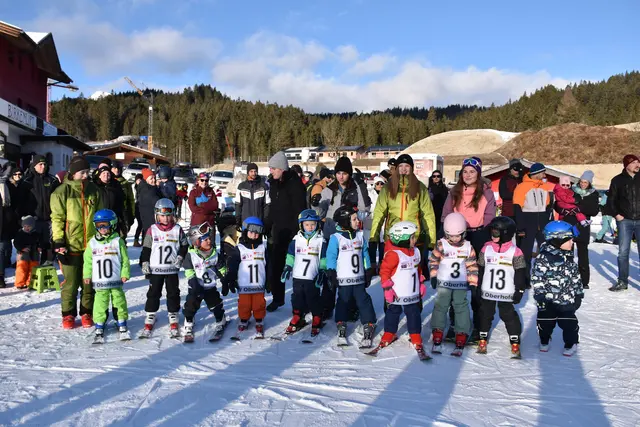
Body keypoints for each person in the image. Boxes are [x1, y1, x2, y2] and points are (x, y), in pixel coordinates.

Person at [441, 157, 496, 343]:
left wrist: (487, 239)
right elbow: (446, 214)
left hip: (478, 235)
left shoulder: (486, 192)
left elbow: (489, 217)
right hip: (457, 237)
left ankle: (479, 326)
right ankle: (455, 323)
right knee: (456, 281)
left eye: (472, 171)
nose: (468, 175)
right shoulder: (454, 192)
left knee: (476, 283)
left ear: (478, 173)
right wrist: (445, 235)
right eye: (465, 171)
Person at [50, 156, 102, 329]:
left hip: (91, 246)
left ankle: (87, 312)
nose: (86, 175)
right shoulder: (61, 192)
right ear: (73, 173)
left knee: (88, 284)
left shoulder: (94, 190)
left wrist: (103, 239)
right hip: (70, 245)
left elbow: (101, 217)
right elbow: (57, 219)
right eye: (82, 172)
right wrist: (59, 241)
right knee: (71, 284)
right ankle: (68, 314)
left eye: (87, 172)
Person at [370, 154, 436, 270]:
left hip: (413, 239)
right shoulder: (388, 188)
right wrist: (373, 237)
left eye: (407, 166)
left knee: (412, 273)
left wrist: (431, 240)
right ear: (396, 168)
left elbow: (428, 214)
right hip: (393, 238)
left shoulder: (420, 188)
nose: (404, 169)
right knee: (392, 271)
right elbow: (379, 213)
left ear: (412, 168)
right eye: (401, 166)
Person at [325, 205, 377, 347]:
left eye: (357, 219)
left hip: (358, 278)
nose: (357, 221)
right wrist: (331, 272)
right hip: (344, 280)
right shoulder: (336, 238)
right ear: (345, 221)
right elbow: (331, 256)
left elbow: (364, 253)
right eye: (354, 219)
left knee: (364, 300)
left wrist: (368, 270)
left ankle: (369, 322)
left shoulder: (360, 236)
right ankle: (341, 322)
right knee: (343, 301)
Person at [428, 213, 479, 355]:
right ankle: (437, 331)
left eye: (458, 236)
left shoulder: (468, 247)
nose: (455, 239)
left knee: (461, 307)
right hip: (444, 283)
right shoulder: (441, 245)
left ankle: (461, 332)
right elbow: (433, 261)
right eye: (451, 236)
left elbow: (472, 266)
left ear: (463, 233)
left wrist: (473, 282)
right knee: (440, 306)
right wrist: (433, 276)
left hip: (460, 284)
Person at [476, 216, 526, 358]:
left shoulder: (515, 252)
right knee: (485, 314)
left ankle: (515, 339)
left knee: (508, 315)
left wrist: (519, 289)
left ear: (506, 233)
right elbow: (481, 269)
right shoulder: (486, 249)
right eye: (492, 231)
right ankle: (482, 337)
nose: (493, 234)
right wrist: (478, 286)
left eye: (496, 232)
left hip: (506, 292)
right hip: (488, 290)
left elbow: (520, 273)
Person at [532, 221, 584, 356]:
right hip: (547, 300)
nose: (572, 242)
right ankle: (544, 340)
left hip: (566, 300)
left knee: (570, 324)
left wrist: (578, 293)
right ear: (557, 240)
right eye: (569, 239)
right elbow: (537, 278)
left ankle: (571, 343)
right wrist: (540, 297)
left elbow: (575, 276)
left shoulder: (568, 256)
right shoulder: (543, 258)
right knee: (544, 322)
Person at [377, 221, 428, 355]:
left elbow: (418, 269)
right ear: (403, 239)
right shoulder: (393, 254)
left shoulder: (416, 251)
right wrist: (387, 289)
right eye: (412, 237)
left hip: (411, 293)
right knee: (393, 312)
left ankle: (415, 335)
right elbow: (384, 271)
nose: (415, 240)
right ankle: (390, 332)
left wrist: (421, 282)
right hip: (397, 293)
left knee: (414, 313)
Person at [140, 199, 189, 338]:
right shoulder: (152, 230)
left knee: (173, 292)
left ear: (173, 215)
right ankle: (151, 314)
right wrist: (144, 262)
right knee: (153, 292)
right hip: (156, 269)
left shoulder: (178, 229)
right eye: (162, 216)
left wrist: (180, 256)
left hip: (171, 269)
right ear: (157, 215)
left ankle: (173, 313)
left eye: (168, 215)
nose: (166, 219)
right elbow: (146, 248)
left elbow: (184, 246)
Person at [265, 151, 307, 312]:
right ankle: (278, 298)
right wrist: (267, 224)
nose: (270, 171)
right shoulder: (274, 183)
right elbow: (274, 208)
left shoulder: (294, 184)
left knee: (298, 269)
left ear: (281, 168)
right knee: (276, 266)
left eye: (273, 168)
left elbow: (300, 209)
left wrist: (298, 232)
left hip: (293, 232)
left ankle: (303, 301)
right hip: (279, 231)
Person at [83, 209, 131, 342]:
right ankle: (99, 323)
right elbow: (88, 261)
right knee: (100, 303)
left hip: (115, 280)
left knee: (119, 301)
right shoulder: (92, 243)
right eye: (99, 225)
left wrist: (125, 273)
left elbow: (125, 260)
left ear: (113, 224)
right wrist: (87, 275)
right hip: (100, 281)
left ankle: (121, 320)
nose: (102, 228)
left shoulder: (117, 241)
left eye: (105, 225)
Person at [281, 209, 326, 336]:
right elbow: (291, 255)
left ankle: (317, 316)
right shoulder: (296, 240)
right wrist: (288, 267)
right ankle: (298, 315)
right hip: (298, 276)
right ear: (301, 225)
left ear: (317, 224)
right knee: (297, 297)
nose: (310, 227)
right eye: (307, 224)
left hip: (312, 276)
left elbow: (323, 258)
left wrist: (322, 270)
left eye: (313, 224)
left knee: (313, 298)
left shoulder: (320, 240)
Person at [182, 222, 228, 342]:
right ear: (196, 242)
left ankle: (221, 319)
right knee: (191, 305)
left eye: (209, 238)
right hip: (195, 287)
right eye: (205, 239)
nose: (209, 241)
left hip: (210, 287)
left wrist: (225, 279)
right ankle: (189, 320)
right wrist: (193, 281)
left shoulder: (215, 254)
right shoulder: (191, 255)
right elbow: (188, 270)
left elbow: (221, 268)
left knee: (215, 304)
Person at [512, 162, 555, 285]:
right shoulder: (521, 187)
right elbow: (517, 208)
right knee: (526, 253)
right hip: (527, 223)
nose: (544, 175)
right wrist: (520, 227)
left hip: (542, 223)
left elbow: (548, 206)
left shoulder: (544, 186)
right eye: (543, 172)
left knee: (546, 251)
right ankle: (524, 279)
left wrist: (548, 222)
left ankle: (546, 277)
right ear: (536, 173)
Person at [556, 171, 600, 289]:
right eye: (581, 182)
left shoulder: (593, 194)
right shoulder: (571, 190)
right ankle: (567, 276)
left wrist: (578, 207)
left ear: (589, 183)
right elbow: (558, 204)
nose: (583, 184)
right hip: (569, 223)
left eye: (586, 182)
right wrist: (564, 210)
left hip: (583, 226)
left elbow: (594, 211)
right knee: (567, 251)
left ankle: (584, 280)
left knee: (583, 254)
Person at [225, 217, 268, 338]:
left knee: (259, 304)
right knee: (244, 304)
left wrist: (270, 280)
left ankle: (259, 319)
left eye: (257, 233)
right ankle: (244, 319)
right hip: (244, 285)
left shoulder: (263, 248)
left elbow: (268, 265)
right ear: (245, 231)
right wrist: (231, 279)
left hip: (259, 284)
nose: (254, 235)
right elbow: (233, 266)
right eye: (251, 232)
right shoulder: (239, 249)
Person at [606, 154, 640, 291]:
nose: (637, 165)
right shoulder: (617, 180)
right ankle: (622, 281)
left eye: (638, 162)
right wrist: (616, 214)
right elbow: (611, 200)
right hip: (625, 220)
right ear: (627, 165)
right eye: (634, 163)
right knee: (623, 253)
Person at [318, 156, 371, 239]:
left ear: (349, 174)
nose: (341, 177)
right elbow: (320, 214)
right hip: (332, 233)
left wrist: (361, 185)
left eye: (344, 174)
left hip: (350, 235)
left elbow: (364, 209)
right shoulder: (329, 189)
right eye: (338, 173)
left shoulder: (356, 188)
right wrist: (316, 204)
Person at [22, 154, 60, 263]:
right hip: (33, 219)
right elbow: (21, 200)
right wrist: (24, 217)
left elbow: (58, 199)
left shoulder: (52, 180)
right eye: (40, 164)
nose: (43, 166)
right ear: (34, 165)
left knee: (48, 246)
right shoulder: (27, 181)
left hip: (49, 219)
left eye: (45, 164)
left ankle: (46, 267)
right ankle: (33, 268)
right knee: (33, 245)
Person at [93, 166, 128, 237]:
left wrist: (123, 219)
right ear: (99, 175)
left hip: (112, 219)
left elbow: (121, 203)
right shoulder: (94, 186)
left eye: (108, 173)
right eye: (103, 173)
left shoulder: (116, 185)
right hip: (99, 219)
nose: (106, 175)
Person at [13, 215, 41, 289]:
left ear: (33, 226)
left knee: (33, 269)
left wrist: (39, 247)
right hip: (23, 254)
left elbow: (39, 242)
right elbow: (16, 243)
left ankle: (30, 282)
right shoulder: (20, 233)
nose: (27, 228)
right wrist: (22, 248)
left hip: (34, 253)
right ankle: (20, 283)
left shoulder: (36, 234)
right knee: (21, 268)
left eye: (29, 226)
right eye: (25, 226)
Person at [365, 176, 387, 266]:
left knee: (382, 243)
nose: (380, 185)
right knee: (372, 242)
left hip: (383, 221)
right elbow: (368, 207)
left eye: (382, 183)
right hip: (372, 220)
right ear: (374, 184)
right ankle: (372, 263)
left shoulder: (386, 194)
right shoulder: (369, 193)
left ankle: (382, 263)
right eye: (377, 183)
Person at [137, 169, 163, 241]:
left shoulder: (151, 188)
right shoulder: (147, 190)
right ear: (146, 179)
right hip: (149, 219)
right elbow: (157, 201)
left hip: (151, 219)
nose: (154, 180)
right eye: (151, 178)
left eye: (154, 178)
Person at [111, 161, 135, 235]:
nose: (117, 170)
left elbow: (131, 200)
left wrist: (131, 214)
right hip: (110, 213)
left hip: (122, 213)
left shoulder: (125, 183)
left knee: (122, 235)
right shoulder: (108, 182)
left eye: (118, 168)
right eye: (114, 168)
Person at [428, 169, 448, 238]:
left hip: (442, 213)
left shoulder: (444, 188)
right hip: (431, 212)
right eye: (434, 176)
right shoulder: (429, 188)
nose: (436, 178)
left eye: (438, 176)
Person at [132, 173, 145, 247]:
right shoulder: (134, 187)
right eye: (138, 180)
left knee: (143, 224)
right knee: (141, 224)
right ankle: (136, 240)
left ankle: (143, 240)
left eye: (141, 180)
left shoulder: (144, 188)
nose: (139, 182)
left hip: (142, 207)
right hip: (136, 208)